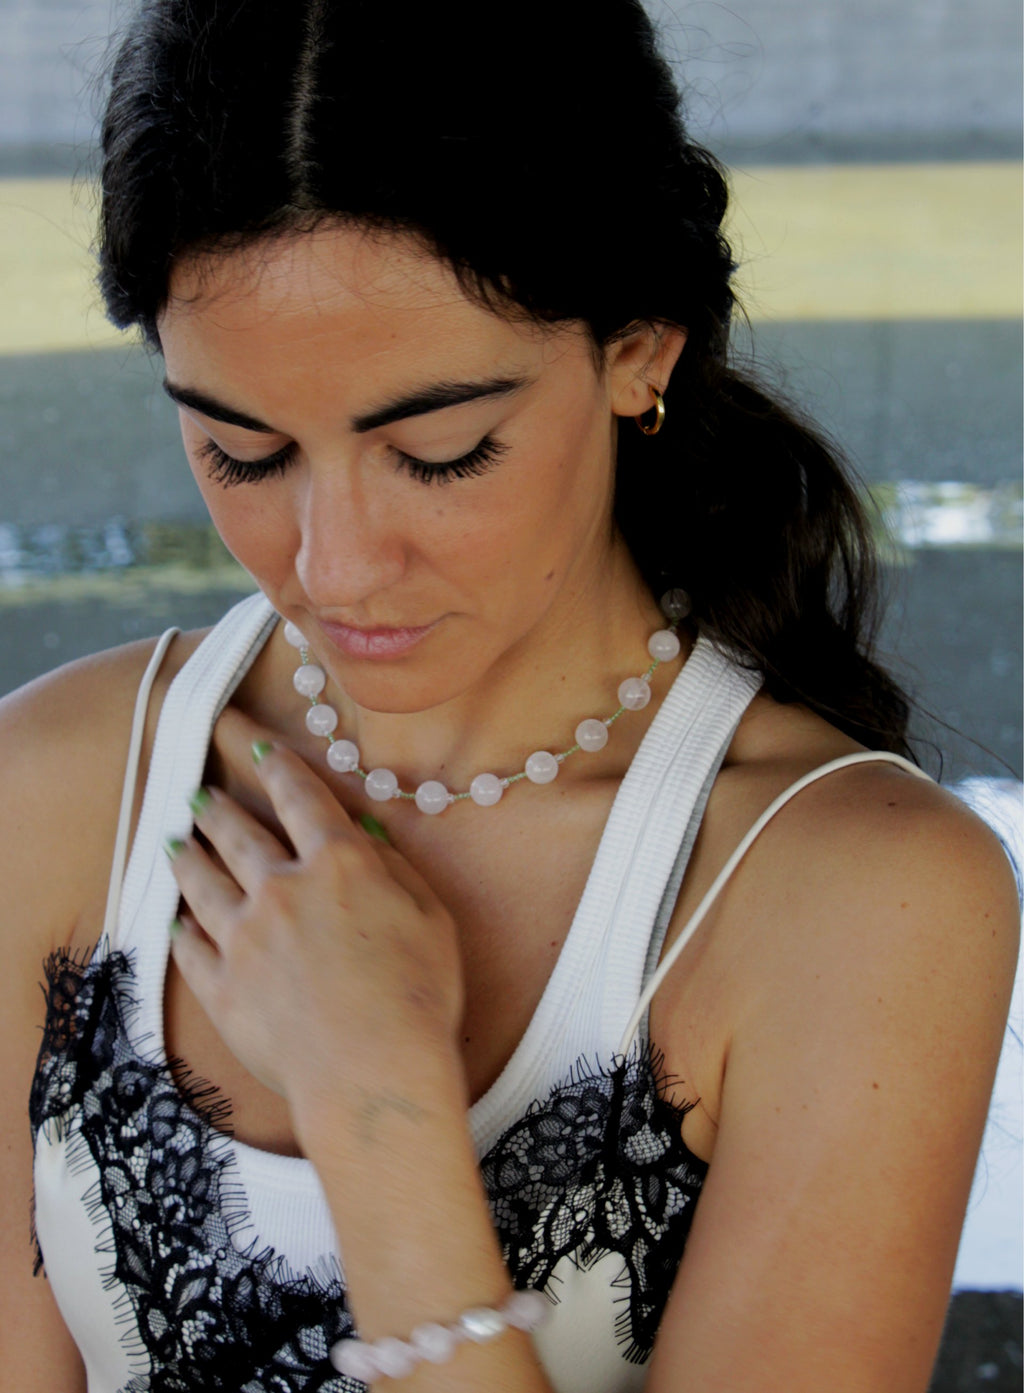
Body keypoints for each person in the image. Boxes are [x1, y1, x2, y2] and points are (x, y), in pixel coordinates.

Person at [1, 1, 1018, 1389]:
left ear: (640, 349)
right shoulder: (49, 794)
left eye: (441, 451)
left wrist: (381, 1108)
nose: (334, 564)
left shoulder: (860, 896)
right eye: (243, 454)